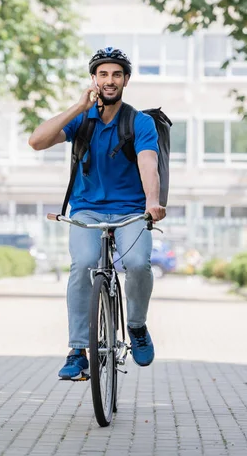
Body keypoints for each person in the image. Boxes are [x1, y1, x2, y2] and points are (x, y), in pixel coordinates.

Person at [28, 47, 166, 379]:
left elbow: (149, 164)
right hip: (87, 211)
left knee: (136, 263)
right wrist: (78, 106)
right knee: (83, 264)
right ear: (94, 79)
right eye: (103, 74)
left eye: (116, 74)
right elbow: (36, 141)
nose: (110, 80)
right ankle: (77, 351)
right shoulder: (82, 121)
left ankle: (136, 325)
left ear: (126, 80)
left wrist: (152, 201)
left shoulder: (139, 122)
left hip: (132, 210)